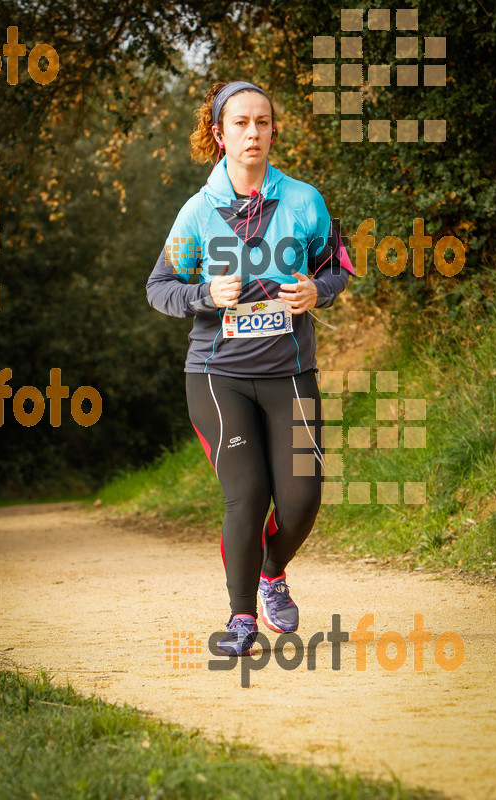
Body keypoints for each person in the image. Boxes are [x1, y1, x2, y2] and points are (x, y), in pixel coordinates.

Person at [146, 80, 354, 656]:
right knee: (249, 493)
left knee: (303, 499)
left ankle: (270, 572)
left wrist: (320, 290)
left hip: (290, 371)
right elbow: (159, 289)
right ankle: (242, 620)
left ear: (272, 130)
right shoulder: (198, 212)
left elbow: (339, 265)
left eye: (262, 122)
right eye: (239, 123)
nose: (253, 133)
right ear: (219, 134)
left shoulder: (305, 200)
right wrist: (207, 294)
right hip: (218, 375)